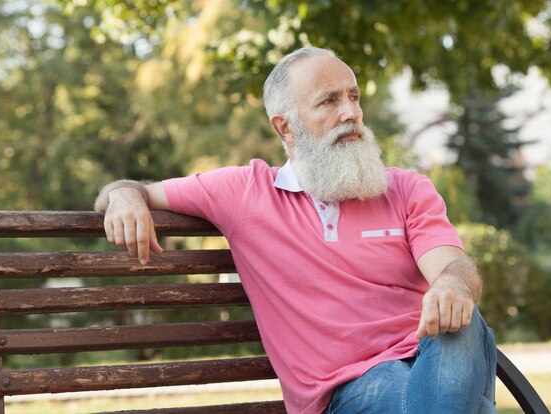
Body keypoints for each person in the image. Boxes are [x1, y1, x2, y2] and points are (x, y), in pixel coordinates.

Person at [94, 47, 497, 414]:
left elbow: (453, 267)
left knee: (463, 323)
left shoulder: (407, 189)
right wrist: (125, 198)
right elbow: (131, 190)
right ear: (285, 128)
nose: (351, 112)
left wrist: (453, 286)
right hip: (349, 387)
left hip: (435, 356)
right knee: (422, 392)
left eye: (354, 96)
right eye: (329, 100)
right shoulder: (245, 192)